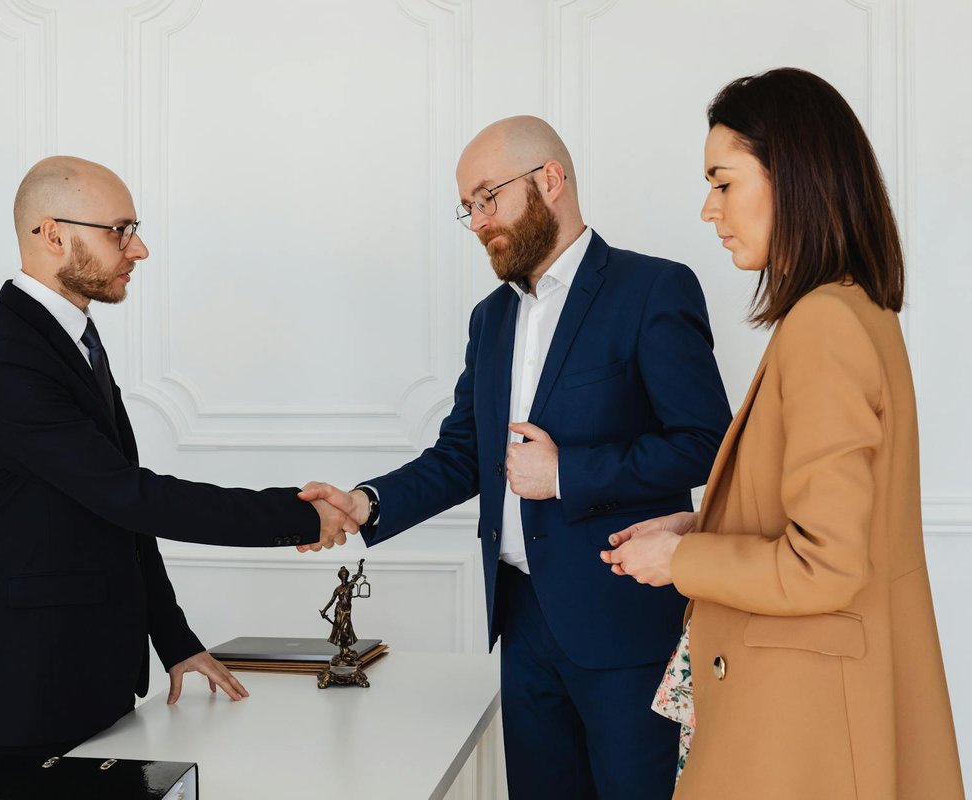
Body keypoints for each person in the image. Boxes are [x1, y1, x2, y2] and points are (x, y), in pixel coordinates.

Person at [301, 116, 732, 799]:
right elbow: (464, 453)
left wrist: (567, 473)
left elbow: (707, 442)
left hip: (624, 626)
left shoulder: (652, 290)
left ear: (549, 181)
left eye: (487, 197)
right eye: (467, 207)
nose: (477, 221)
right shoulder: (491, 318)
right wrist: (366, 503)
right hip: (522, 625)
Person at [602, 68, 964, 798]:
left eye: (723, 181)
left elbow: (826, 565)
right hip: (818, 711)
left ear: (793, 176)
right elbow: (836, 519)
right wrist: (705, 524)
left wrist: (684, 559)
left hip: (802, 732)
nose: (709, 209)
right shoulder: (859, 311)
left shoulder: (823, 325)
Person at [0, 156, 355, 761]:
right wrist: (296, 514)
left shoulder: (68, 336)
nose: (139, 250)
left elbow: (118, 517)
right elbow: (131, 495)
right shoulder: (3, 359)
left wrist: (175, 639)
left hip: (91, 685)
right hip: (26, 696)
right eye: (120, 231)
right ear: (53, 234)